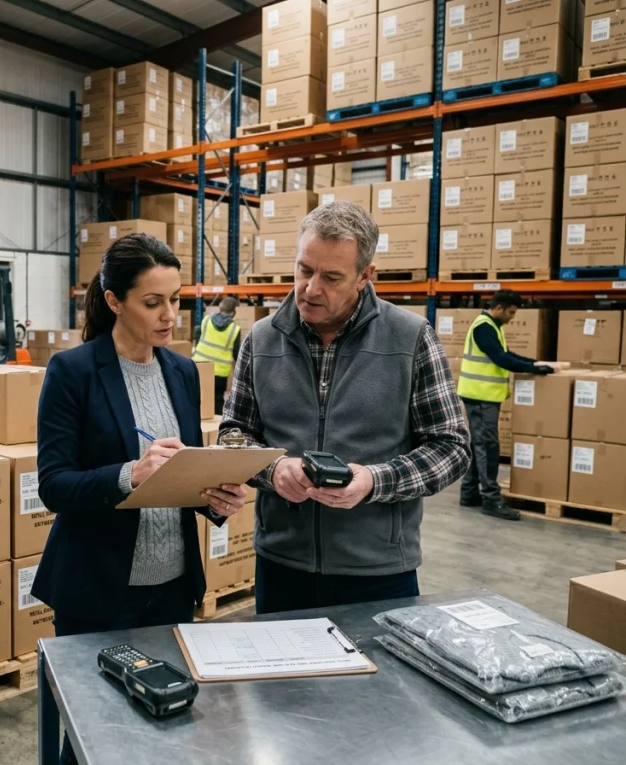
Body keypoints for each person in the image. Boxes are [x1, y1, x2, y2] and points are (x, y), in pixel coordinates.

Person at [32, 233, 249, 765]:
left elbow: (185, 475)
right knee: (90, 737)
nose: (170, 315)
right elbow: (54, 484)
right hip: (98, 591)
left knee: (164, 731)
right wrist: (130, 472)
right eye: (153, 302)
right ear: (114, 301)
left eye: (176, 299)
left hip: (172, 589)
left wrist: (216, 497)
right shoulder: (74, 372)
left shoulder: (181, 371)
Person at [220, 201, 472, 615]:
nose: (310, 288)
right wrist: (272, 469)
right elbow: (233, 434)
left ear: (364, 277)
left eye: (331, 277)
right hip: (282, 567)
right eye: (304, 270)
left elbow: (452, 447)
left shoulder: (410, 339)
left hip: (378, 572)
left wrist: (375, 480)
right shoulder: (261, 340)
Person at [458, 290, 555, 521]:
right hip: (481, 397)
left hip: (483, 397)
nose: (512, 317)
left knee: (478, 446)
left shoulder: (494, 326)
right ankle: (491, 499)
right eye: (511, 312)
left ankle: (469, 493)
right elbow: (500, 359)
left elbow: (505, 353)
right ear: (499, 307)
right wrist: (534, 369)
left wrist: (534, 363)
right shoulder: (484, 327)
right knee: (488, 447)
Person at [193, 296, 241, 415]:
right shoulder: (234, 328)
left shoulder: (206, 320)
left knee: (197, 398)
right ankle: (215, 429)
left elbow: (197, 334)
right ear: (234, 312)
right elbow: (237, 353)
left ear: (220, 308)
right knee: (218, 401)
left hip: (199, 367)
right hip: (219, 372)